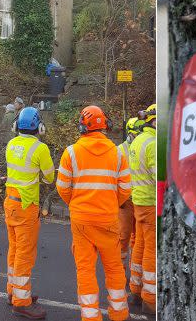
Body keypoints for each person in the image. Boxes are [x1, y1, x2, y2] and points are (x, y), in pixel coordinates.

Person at [56, 106, 132, 321]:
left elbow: (62, 187)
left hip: (81, 220)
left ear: (82, 126)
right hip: (108, 218)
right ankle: (119, 314)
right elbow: (125, 189)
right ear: (105, 125)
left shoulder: (71, 152)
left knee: (85, 269)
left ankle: (91, 316)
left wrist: (77, 203)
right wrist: (109, 203)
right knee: (114, 267)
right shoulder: (117, 153)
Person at [4, 107, 55, 319]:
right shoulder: (40, 149)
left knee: (14, 249)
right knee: (25, 254)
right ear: (39, 128)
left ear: (16, 126)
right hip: (27, 206)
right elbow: (50, 177)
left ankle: (13, 292)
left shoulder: (11, 144)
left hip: (10, 203)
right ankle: (22, 302)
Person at [128, 104, 156, 314]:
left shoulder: (137, 141)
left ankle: (135, 291)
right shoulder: (153, 144)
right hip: (152, 203)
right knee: (151, 250)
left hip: (138, 201)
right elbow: (159, 178)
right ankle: (151, 300)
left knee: (140, 244)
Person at [118, 116, 143, 262]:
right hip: (126, 200)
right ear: (129, 133)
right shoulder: (119, 151)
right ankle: (120, 272)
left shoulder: (142, 147)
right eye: (135, 134)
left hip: (139, 199)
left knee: (137, 238)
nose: (137, 137)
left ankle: (135, 274)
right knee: (123, 236)